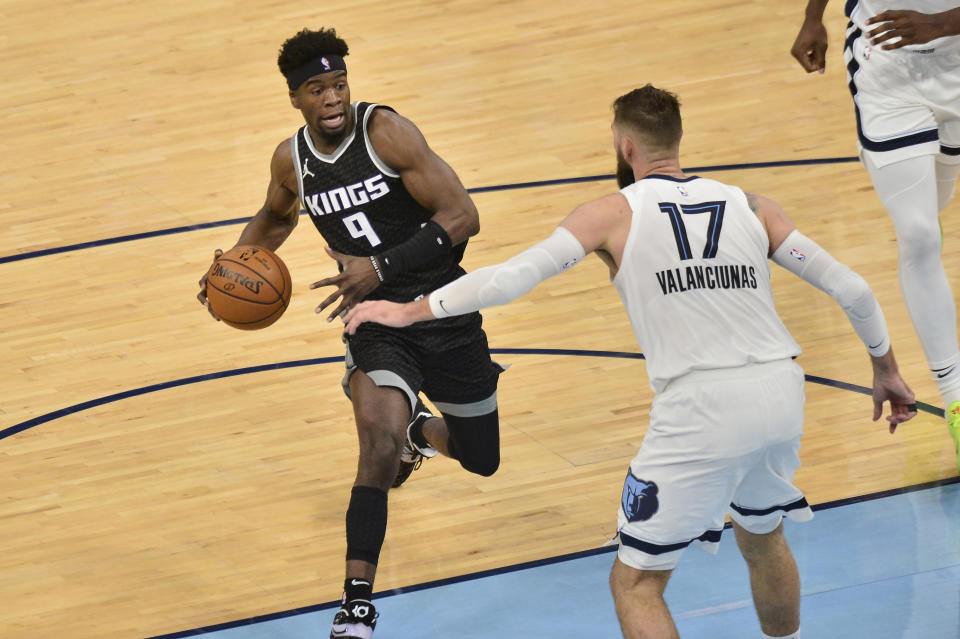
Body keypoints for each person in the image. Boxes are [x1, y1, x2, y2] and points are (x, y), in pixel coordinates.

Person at [340, 85, 919, 638]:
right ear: (677, 140)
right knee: (762, 534)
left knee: (636, 583)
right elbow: (854, 290)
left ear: (626, 146)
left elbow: (513, 277)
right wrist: (886, 369)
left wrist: (411, 310)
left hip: (701, 409)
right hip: (780, 391)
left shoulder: (611, 214)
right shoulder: (752, 206)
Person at [196, 27, 505, 639]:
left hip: (443, 308)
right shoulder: (293, 160)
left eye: (339, 85)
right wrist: (228, 265)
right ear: (296, 99)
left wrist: (381, 266)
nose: (333, 98)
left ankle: (422, 430)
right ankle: (357, 604)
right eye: (318, 89)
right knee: (376, 446)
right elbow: (276, 216)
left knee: (481, 458)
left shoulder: (386, 132)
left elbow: (463, 216)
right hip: (371, 320)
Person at [791, 1, 960, 470]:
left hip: (955, 54)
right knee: (920, 236)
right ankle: (956, 402)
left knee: (934, 208)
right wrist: (813, 15)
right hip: (886, 67)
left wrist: (941, 23)